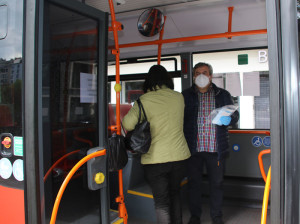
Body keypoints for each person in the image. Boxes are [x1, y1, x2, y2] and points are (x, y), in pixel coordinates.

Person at [122, 64, 191, 224]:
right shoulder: (178, 97)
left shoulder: (144, 100)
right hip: (180, 157)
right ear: (168, 79)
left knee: (161, 202)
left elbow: (127, 124)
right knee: (175, 194)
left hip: (155, 160)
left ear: (148, 81)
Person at [182, 62, 239, 224]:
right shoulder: (185, 95)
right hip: (193, 149)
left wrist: (230, 119)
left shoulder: (222, 94)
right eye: (197, 73)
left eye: (204, 72)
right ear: (193, 77)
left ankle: (217, 216)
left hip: (216, 149)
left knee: (217, 184)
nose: (201, 76)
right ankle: (195, 216)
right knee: (194, 185)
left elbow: (235, 116)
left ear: (211, 75)